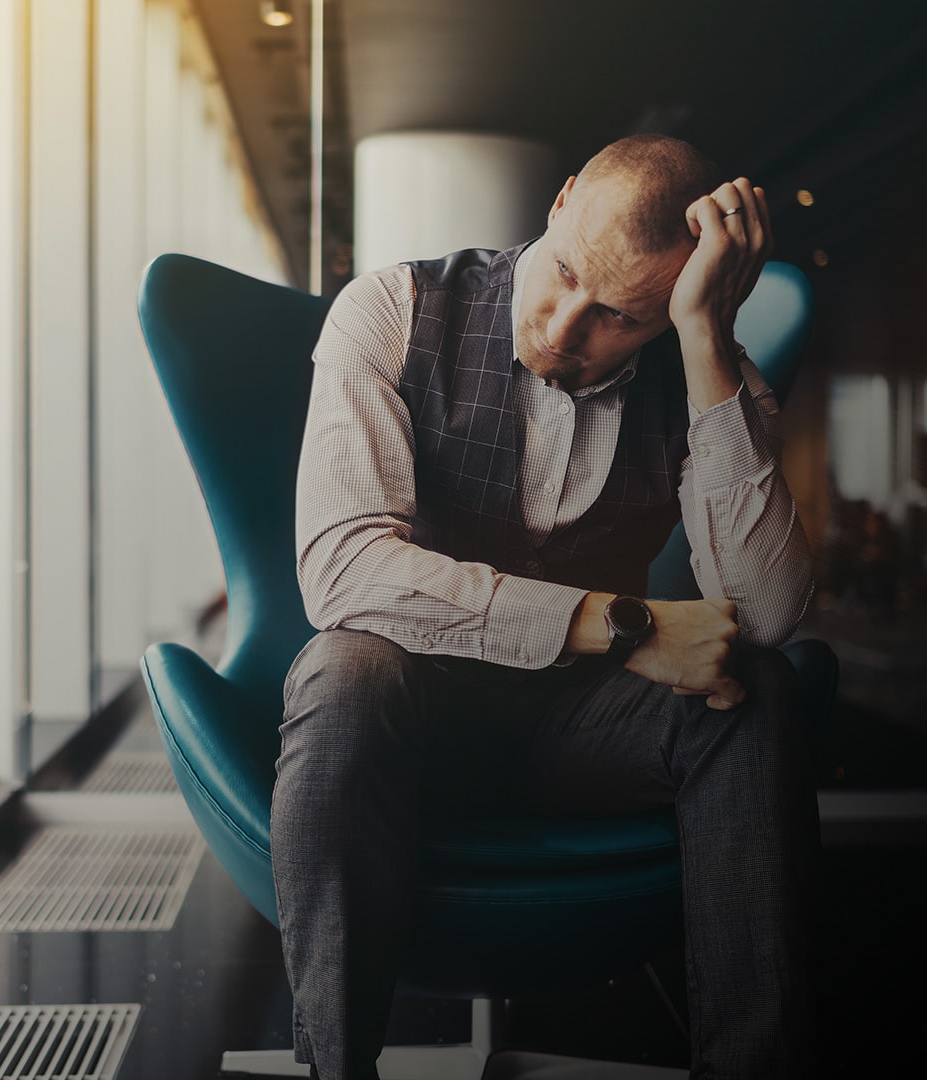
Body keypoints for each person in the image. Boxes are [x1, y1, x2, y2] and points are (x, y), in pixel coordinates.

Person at [271, 133, 821, 1079]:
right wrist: (623, 625)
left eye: (618, 315)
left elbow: (769, 614)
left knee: (756, 688)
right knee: (344, 668)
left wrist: (702, 338)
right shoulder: (392, 312)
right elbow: (343, 570)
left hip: (584, 734)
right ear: (560, 199)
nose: (565, 326)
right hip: (417, 717)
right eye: (566, 272)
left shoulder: (700, 369)